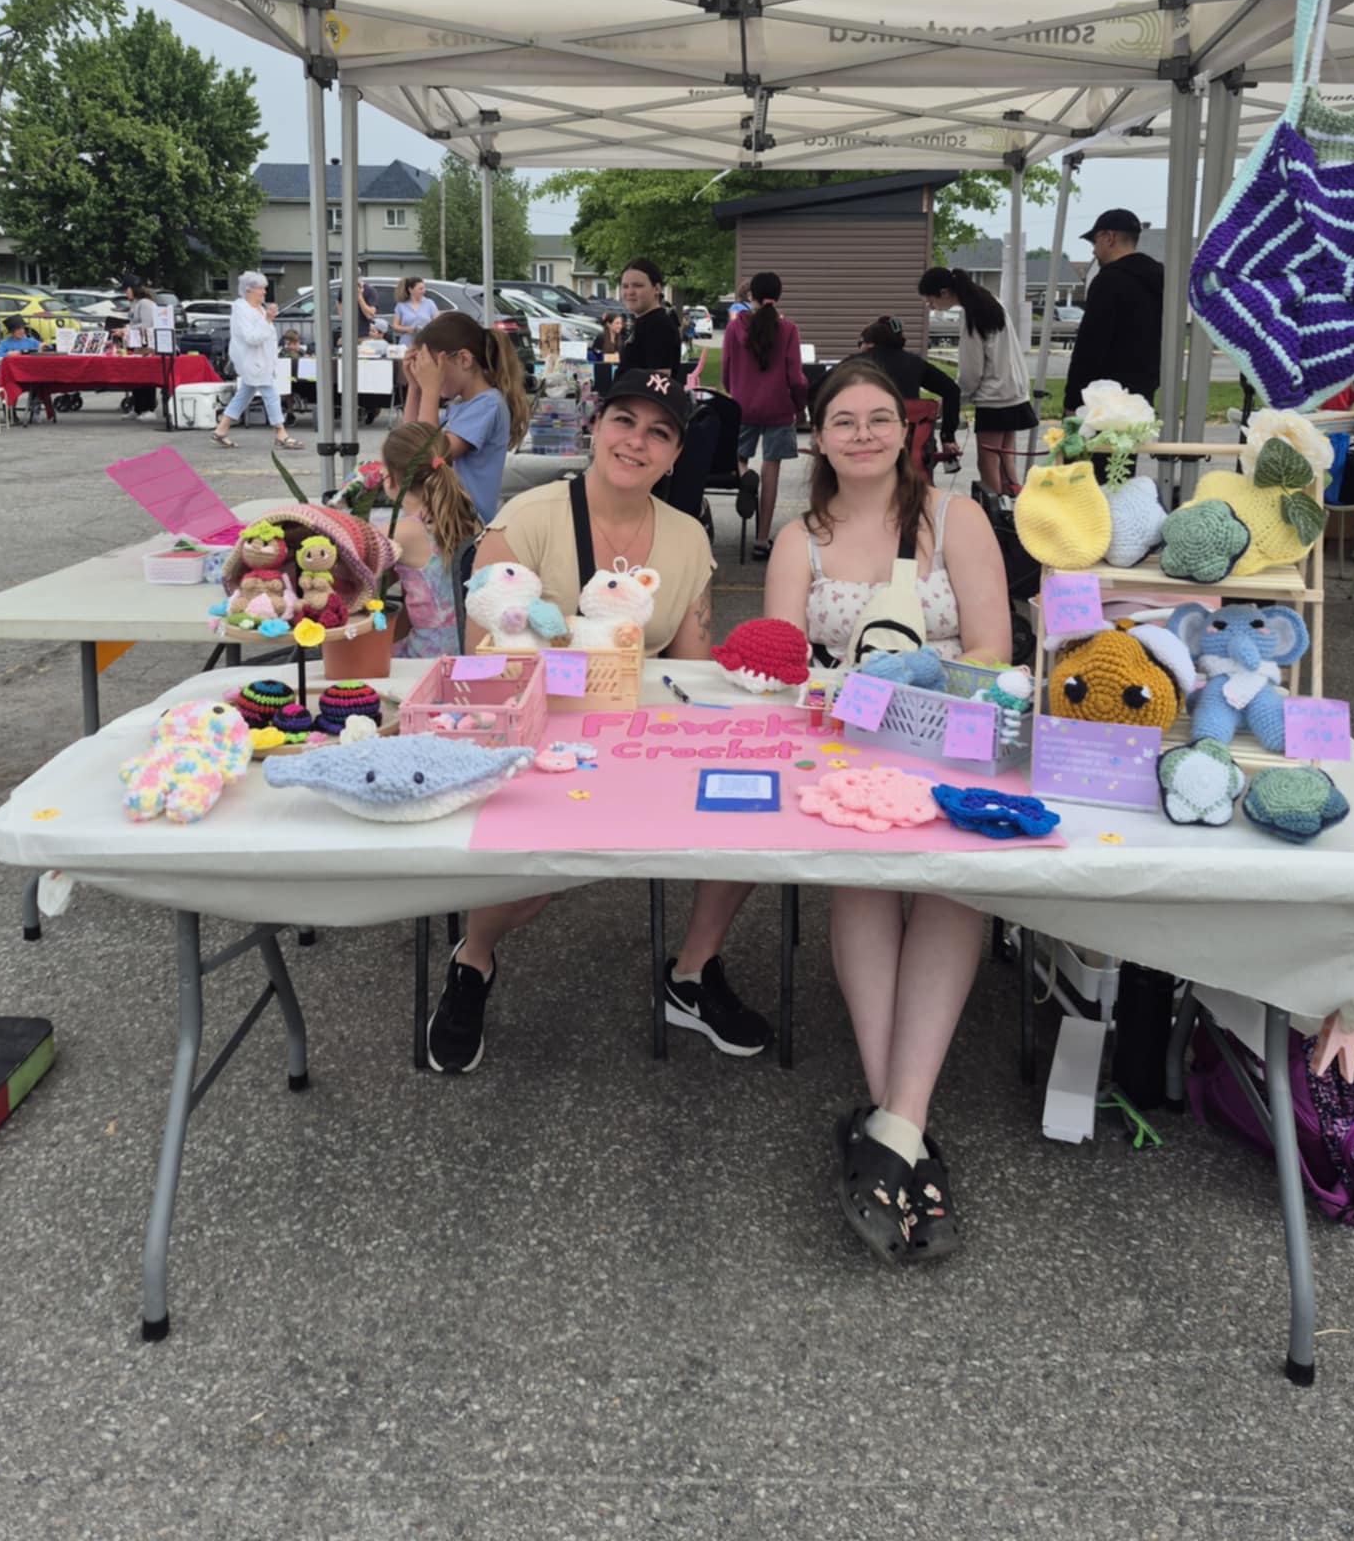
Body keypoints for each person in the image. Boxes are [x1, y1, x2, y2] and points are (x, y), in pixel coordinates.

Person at [425, 368, 771, 1074]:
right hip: (538, 728)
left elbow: (691, 668)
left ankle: (691, 972)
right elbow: (484, 661)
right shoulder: (528, 519)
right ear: (596, 427)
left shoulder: (686, 538)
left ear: (676, 455)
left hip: (637, 731)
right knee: (540, 874)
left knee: (753, 811)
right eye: (624, 421)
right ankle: (474, 957)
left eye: (660, 432)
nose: (637, 442)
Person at [764, 358, 1011, 1262]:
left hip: (951, 745)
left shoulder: (957, 518)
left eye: (879, 418)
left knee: (950, 882)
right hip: (841, 749)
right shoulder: (799, 539)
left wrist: (916, 698)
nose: (862, 434)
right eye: (844, 420)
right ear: (819, 438)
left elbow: (991, 651)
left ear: (905, 432)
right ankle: (903, 1128)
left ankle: (889, 1134)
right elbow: (782, 665)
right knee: (863, 876)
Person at [402, 308, 528, 528]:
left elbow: (430, 455)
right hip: (447, 521)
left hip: (467, 526)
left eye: (434, 368)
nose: (429, 376)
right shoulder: (464, 406)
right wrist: (415, 388)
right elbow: (411, 443)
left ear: (464, 359)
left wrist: (430, 391)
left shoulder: (488, 404)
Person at [918, 266, 1034, 496]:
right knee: (1006, 461)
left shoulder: (972, 316)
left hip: (994, 398)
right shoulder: (989, 301)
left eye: (931, 301)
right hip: (1014, 392)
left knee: (988, 462)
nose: (930, 307)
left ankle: (994, 510)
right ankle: (1015, 507)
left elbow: (971, 373)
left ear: (944, 292)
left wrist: (953, 400)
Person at [719, 271, 807, 558]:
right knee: (772, 469)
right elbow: (796, 377)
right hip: (778, 408)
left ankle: (745, 478)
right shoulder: (788, 330)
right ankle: (761, 540)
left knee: (738, 457)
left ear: (750, 295)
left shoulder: (734, 328)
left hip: (744, 406)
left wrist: (736, 392)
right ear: (778, 295)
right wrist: (799, 406)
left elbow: (726, 370)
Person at [379, 420, 481, 659]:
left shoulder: (398, 532)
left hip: (427, 656)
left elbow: (361, 583)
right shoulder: (469, 518)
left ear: (390, 478)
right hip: (470, 648)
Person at [1062, 209, 1164, 413]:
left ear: (1109, 238)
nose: (1094, 251)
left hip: (1102, 400)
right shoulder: (1161, 280)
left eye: (1095, 242)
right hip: (1142, 398)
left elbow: (1090, 347)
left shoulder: (1108, 281)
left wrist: (1073, 401)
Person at [210, 271, 305, 451]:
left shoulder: (259, 309)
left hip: (260, 360)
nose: (264, 292)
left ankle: (221, 430)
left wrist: (267, 318)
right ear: (249, 290)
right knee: (271, 394)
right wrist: (267, 319)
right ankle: (281, 432)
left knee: (245, 393)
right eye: (261, 288)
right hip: (252, 361)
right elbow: (251, 338)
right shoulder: (242, 311)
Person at [855, 315, 962, 467]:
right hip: (912, 448)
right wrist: (947, 436)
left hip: (867, 445)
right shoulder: (915, 364)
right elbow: (952, 391)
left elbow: (820, 389)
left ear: (869, 344)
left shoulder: (854, 365)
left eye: (860, 343)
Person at [616, 257, 681, 377]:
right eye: (625, 286)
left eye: (638, 285)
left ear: (657, 289)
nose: (630, 292)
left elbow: (659, 380)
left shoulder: (659, 326)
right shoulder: (644, 321)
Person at [123, 277, 161, 420]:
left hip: (148, 345)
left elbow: (147, 324)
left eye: (127, 289)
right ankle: (138, 407)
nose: (125, 293)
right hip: (138, 345)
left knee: (146, 376)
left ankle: (149, 408)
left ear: (133, 289)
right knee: (136, 376)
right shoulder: (136, 303)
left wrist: (128, 329)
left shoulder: (145, 303)